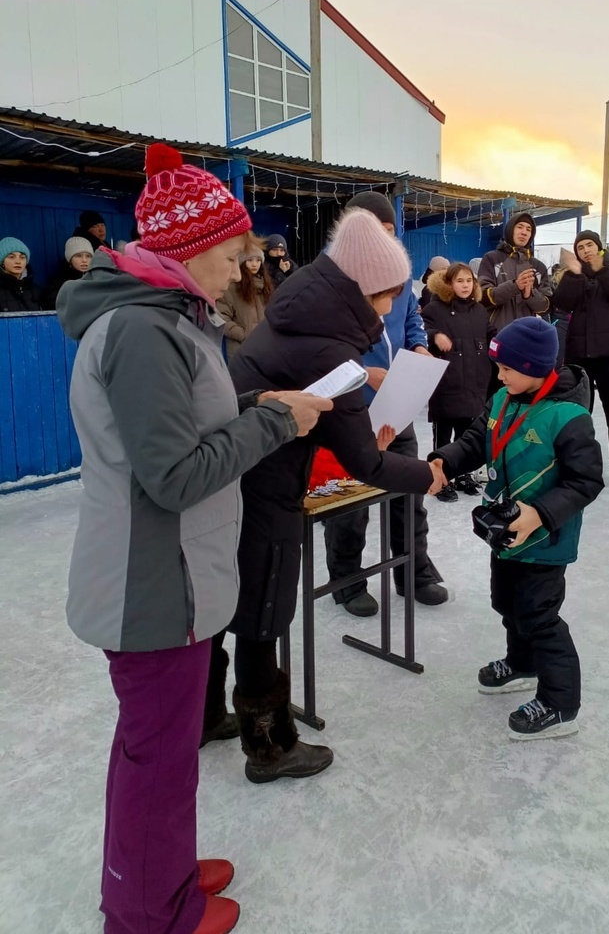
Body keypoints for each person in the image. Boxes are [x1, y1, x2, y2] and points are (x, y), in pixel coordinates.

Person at [56, 141, 331, 934]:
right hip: (154, 585)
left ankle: (161, 876)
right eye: (234, 253)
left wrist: (256, 410)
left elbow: (187, 436)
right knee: (156, 764)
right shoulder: (145, 332)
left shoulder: (170, 319)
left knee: (161, 756)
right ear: (187, 249)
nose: (244, 268)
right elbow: (174, 477)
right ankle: (150, 913)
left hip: (171, 574)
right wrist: (276, 421)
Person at [224, 206, 445, 782]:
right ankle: (268, 745)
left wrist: (360, 378)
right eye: (383, 297)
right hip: (267, 484)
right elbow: (368, 462)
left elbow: (309, 376)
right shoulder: (329, 347)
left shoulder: (301, 309)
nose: (389, 309)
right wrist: (427, 475)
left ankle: (205, 715)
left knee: (234, 601)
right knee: (262, 613)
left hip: (235, 475)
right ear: (361, 289)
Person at [429, 317, 604, 740]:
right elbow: (474, 441)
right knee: (507, 603)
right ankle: (522, 664)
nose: (500, 375)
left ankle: (560, 705)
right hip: (506, 533)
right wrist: (444, 462)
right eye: (499, 368)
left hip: (545, 539)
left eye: (508, 368)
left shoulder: (568, 416)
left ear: (536, 367)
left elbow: (587, 480)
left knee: (539, 616)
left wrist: (540, 514)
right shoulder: (502, 400)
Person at [323, 191, 449, 617]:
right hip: (353, 407)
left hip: (397, 401)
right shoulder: (335, 280)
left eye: (391, 230)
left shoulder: (398, 273)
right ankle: (346, 578)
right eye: (377, 230)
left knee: (410, 488)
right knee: (352, 501)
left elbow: (412, 314)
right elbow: (320, 346)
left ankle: (414, 570)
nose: (385, 239)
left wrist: (419, 344)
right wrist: (362, 372)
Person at [553, 230, 609, 487]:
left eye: (590, 245)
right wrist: (575, 274)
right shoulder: (573, 275)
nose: (585, 250)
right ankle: (576, 465)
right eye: (580, 247)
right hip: (579, 355)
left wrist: (602, 269)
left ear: (599, 247)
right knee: (576, 415)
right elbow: (562, 304)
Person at [421, 261, 495, 501]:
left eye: (469, 280)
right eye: (459, 281)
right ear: (449, 284)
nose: (465, 285)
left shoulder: (479, 310)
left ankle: (463, 475)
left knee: (467, 434)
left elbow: (491, 334)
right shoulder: (435, 309)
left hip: (474, 380)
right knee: (443, 434)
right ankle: (440, 479)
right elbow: (422, 330)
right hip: (447, 382)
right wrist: (435, 336)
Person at [477, 212, 552, 331]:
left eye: (529, 229)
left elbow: (546, 307)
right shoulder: (492, 259)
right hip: (497, 333)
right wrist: (515, 286)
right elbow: (482, 296)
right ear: (510, 229)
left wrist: (529, 295)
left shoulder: (539, 267)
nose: (524, 232)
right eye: (520, 226)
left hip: (528, 334)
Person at [217, 239, 274, 360]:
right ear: (242, 262)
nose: (255, 264)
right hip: (240, 350)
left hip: (265, 347)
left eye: (258, 260)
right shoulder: (232, 287)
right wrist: (243, 334)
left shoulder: (266, 286)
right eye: (250, 260)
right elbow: (221, 317)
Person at [43, 237, 94, 308]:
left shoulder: (97, 278)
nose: (84, 260)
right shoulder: (58, 283)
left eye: (88, 256)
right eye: (78, 256)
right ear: (70, 259)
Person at [0, 236, 42, 312]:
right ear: (2, 262)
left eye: (22, 257)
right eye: (11, 257)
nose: (18, 261)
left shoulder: (36, 290)